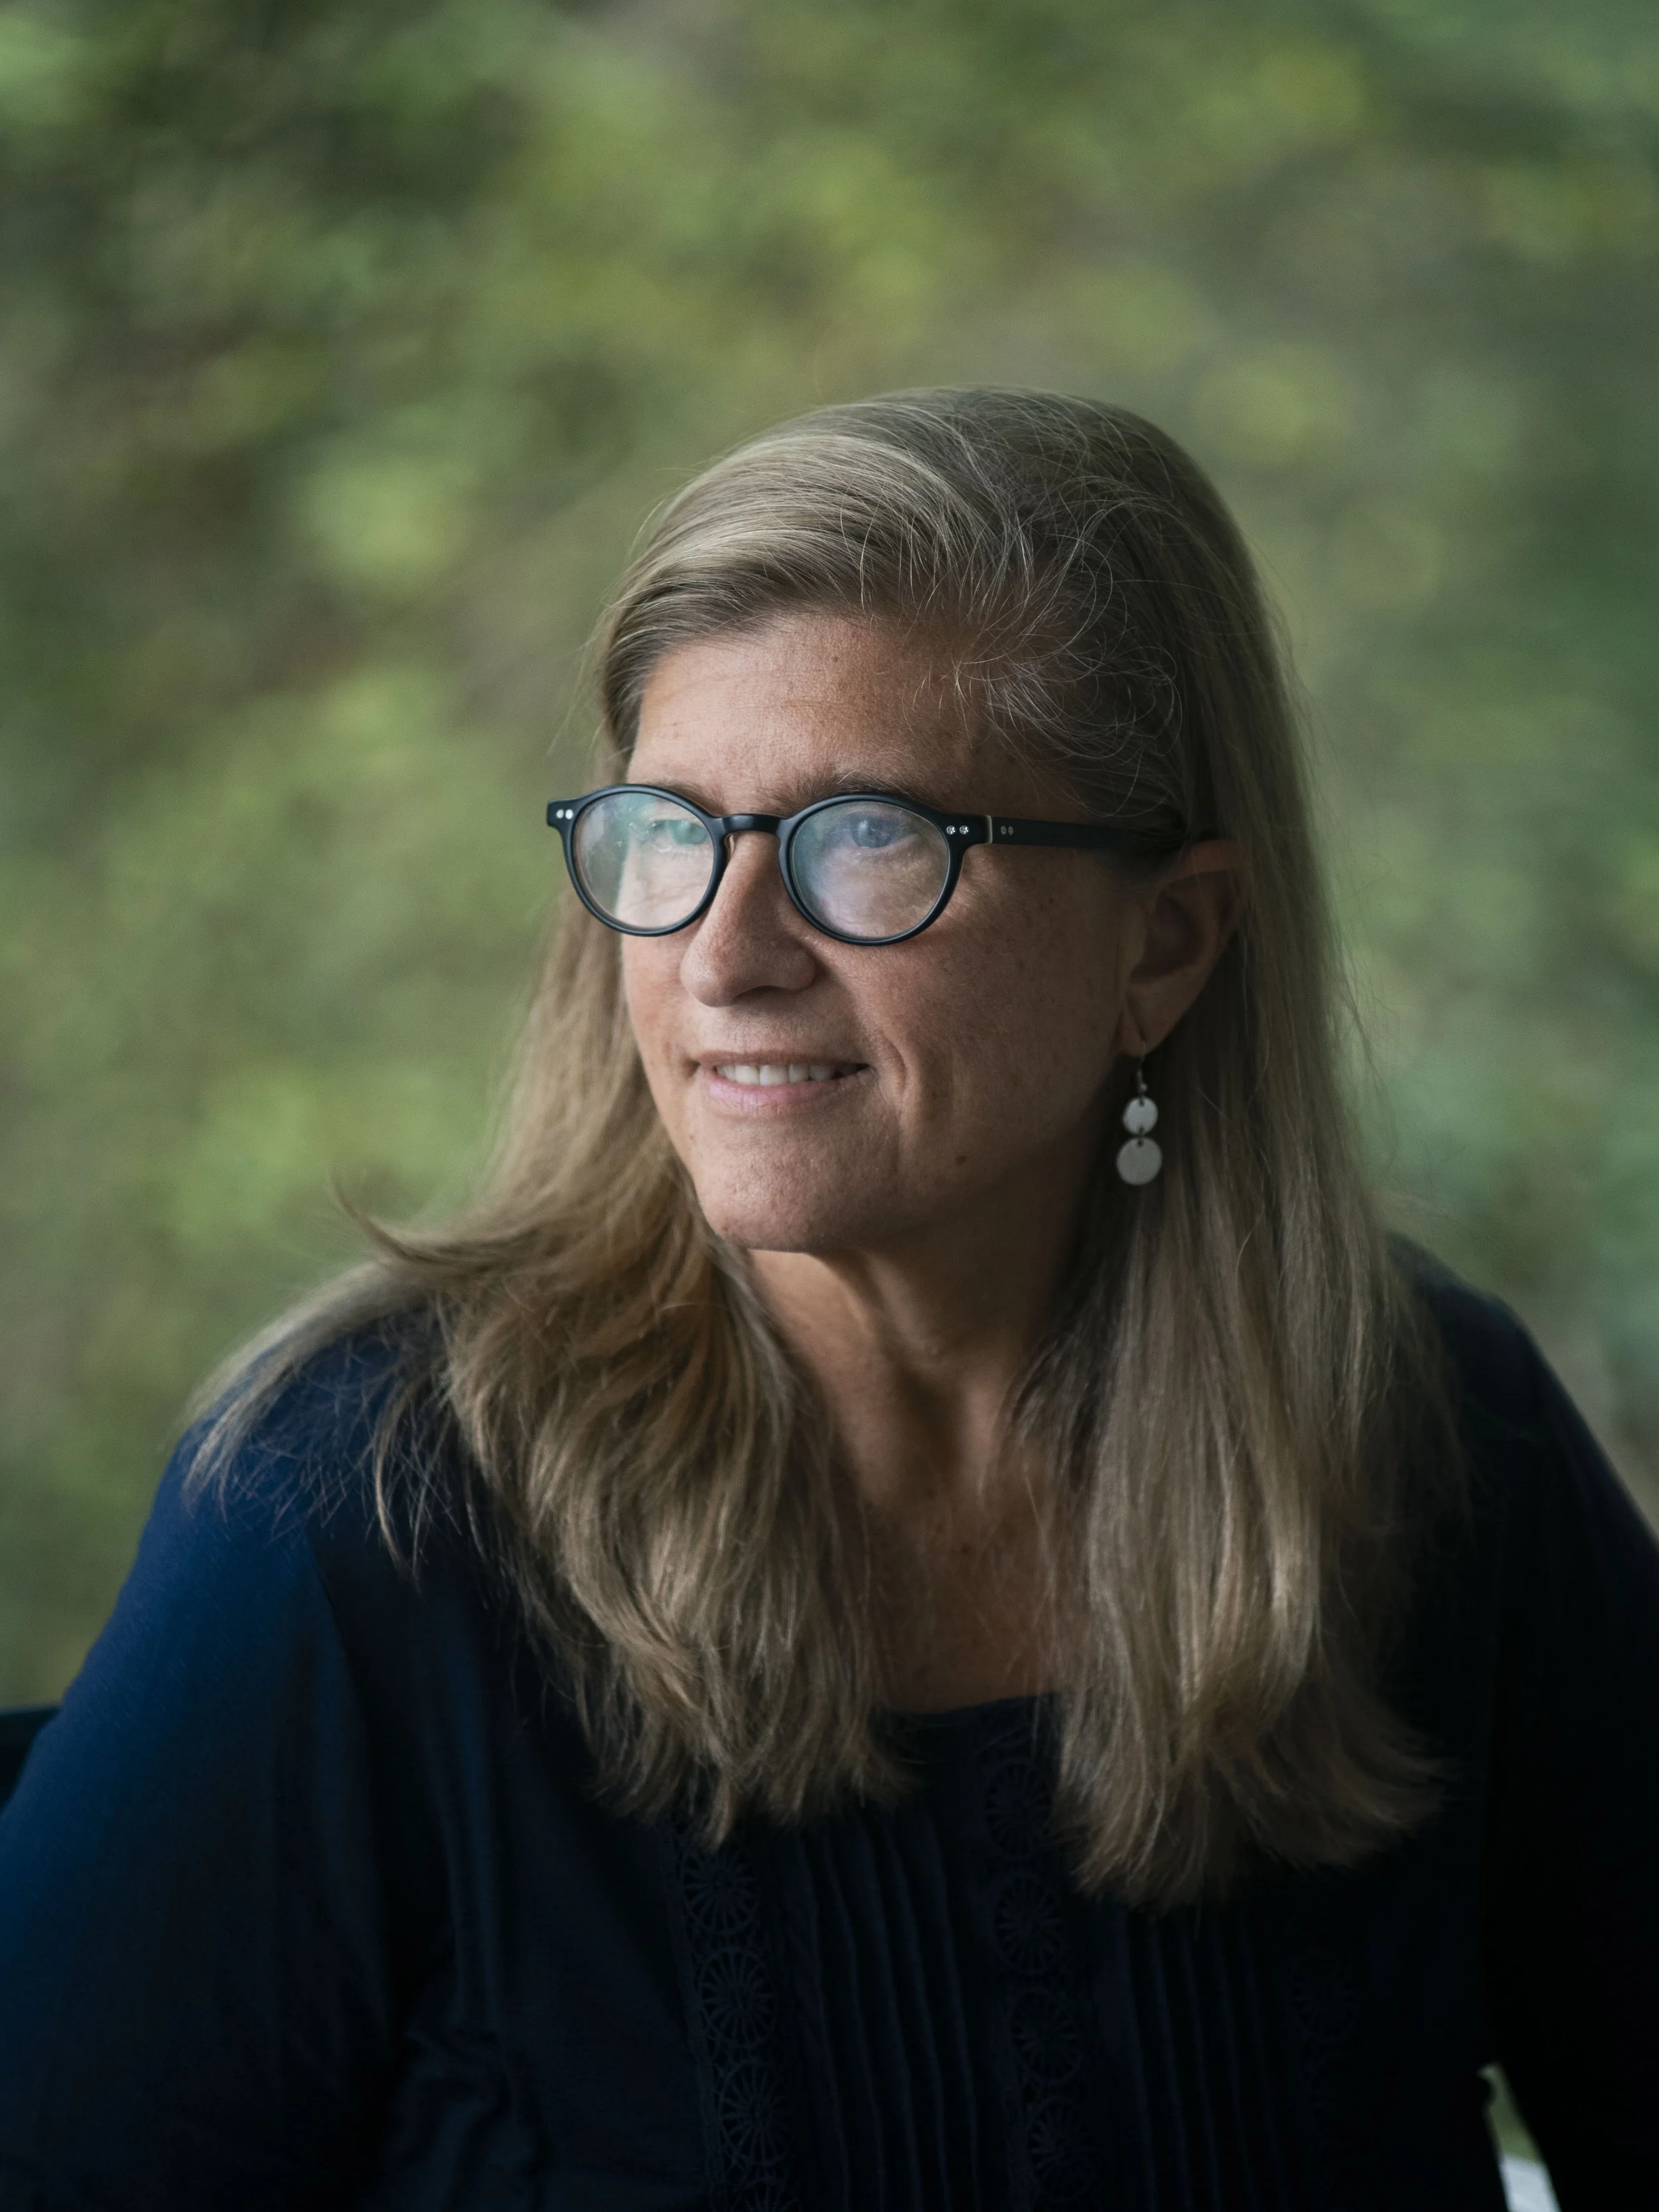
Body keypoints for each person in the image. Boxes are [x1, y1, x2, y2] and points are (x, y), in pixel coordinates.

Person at [1, 389, 1654, 2212]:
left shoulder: (1434, 1441)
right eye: (664, 832)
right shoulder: (351, 1516)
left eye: (863, 839)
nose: (721, 955)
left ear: (1163, 944)